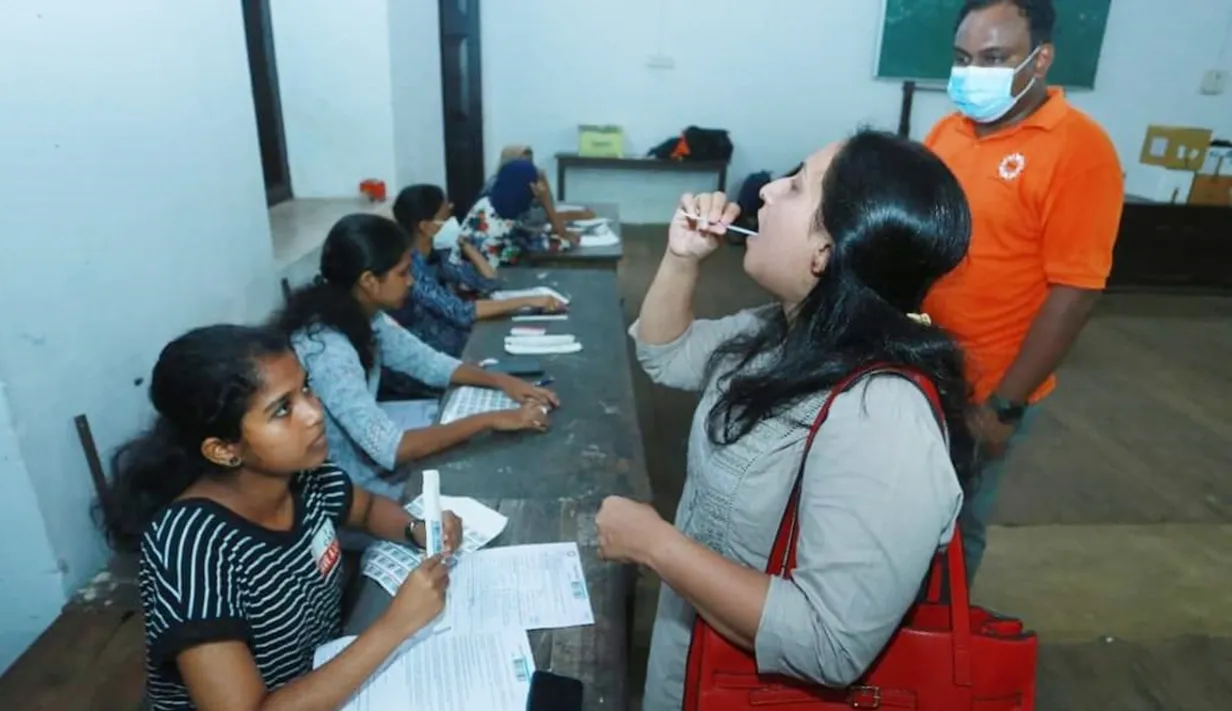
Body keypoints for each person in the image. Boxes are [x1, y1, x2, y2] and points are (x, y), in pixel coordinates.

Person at [592, 130, 978, 709]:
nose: (768, 190)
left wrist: (656, 546)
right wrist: (680, 259)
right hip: (693, 658)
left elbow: (829, 642)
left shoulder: (884, 416)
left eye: (795, 188)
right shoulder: (782, 331)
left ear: (826, 252)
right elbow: (663, 352)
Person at [96, 324, 463, 711]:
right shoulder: (190, 548)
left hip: (317, 679)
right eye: (282, 409)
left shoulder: (305, 477)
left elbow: (368, 509)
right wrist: (394, 627)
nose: (313, 413)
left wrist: (414, 528)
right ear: (223, 449)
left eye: (306, 388)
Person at [923, 0, 1124, 584]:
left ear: (1041, 60)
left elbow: (1076, 292)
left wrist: (1004, 405)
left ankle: (941, 651)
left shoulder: (1078, 150)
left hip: (988, 385)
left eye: (993, 58)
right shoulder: (949, 130)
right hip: (920, 368)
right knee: (904, 515)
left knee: (954, 527)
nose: (972, 73)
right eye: (963, 58)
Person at [274, 213, 559, 505]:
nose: (411, 282)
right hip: (352, 498)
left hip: (371, 476)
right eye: (403, 273)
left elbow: (429, 363)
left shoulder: (365, 316)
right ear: (370, 281)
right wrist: (491, 419)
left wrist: (501, 381)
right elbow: (391, 448)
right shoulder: (327, 349)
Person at [390, 184, 564, 360]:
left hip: (459, 343)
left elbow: (488, 281)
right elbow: (460, 312)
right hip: (433, 357)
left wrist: (467, 246)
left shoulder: (438, 255)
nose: (452, 221)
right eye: (446, 217)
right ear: (426, 227)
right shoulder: (410, 269)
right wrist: (529, 300)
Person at [449, 158, 581, 272]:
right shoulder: (505, 229)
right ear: (530, 187)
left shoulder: (486, 203)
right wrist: (546, 202)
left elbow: (532, 231)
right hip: (479, 291)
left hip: (465, 280)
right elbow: (565, 242)